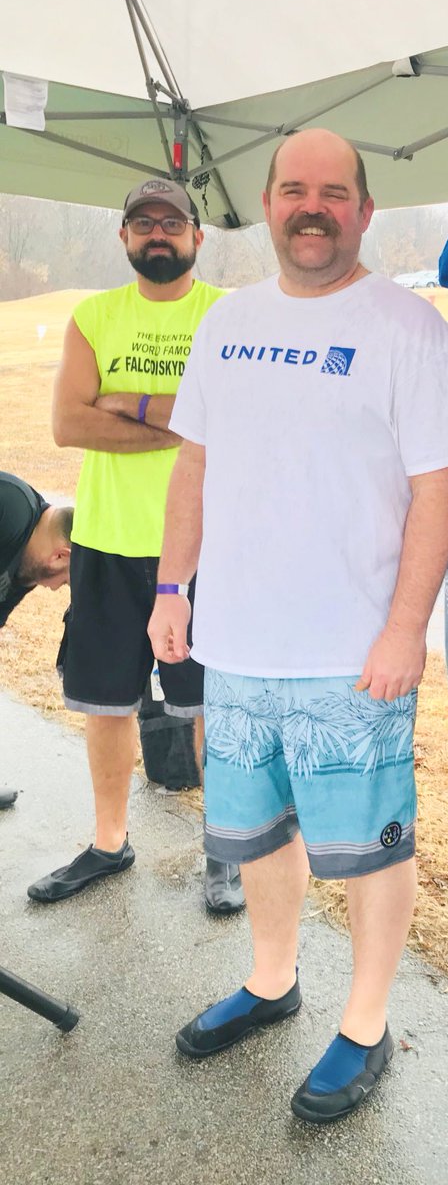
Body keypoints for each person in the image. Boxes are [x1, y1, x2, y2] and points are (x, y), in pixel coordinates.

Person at [147, 128, 448, 1122]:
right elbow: (193, 462)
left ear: (363, 211)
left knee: (370, 843)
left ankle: (364, 1025)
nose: (312, 206)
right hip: (238, 641)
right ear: (268, 204)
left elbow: (437, 485)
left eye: (334, 191)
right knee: (260, 831)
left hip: (349, 651)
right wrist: (171, 590)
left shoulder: (406, 330)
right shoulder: (225, 321)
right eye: (294, 189)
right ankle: (272, 980)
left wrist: (402, 626)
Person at [30, 179, 243, 913]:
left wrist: (134, 403)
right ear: (123, 237)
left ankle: (228, 849)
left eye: (172, 223)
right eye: (143, 223)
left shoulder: (226, 316)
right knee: (106, 702)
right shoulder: (95, 316)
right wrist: (186, 418)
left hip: (204, 546)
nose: (159, 234)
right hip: (108, 540)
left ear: (196, 237)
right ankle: (109, 842)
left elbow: (239, 421)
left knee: (214, 702)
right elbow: (68, 425)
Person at [0, 470, 74, 809]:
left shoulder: (28, 567)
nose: (57, 588)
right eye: (67, 580)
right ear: (61, 555)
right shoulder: (10, 508)